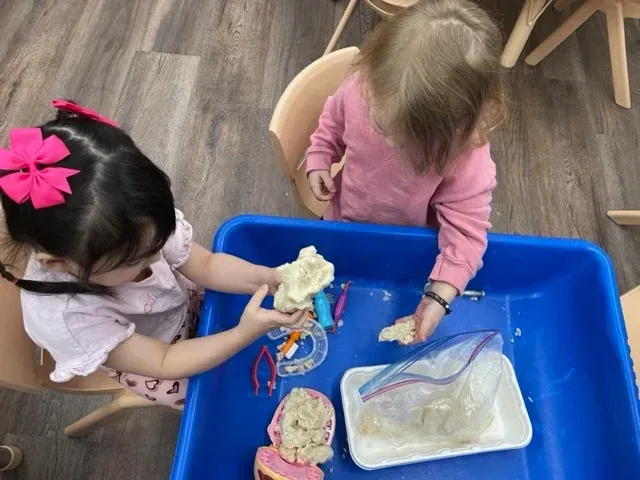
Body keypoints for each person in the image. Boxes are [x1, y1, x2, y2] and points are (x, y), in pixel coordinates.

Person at [0, 100, 306, 409]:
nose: (154, 259)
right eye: (135, 261)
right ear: (59, 263)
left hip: (176, 306)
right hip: (157, 358)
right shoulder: (69, 317)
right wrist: (243, 333)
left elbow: (207, 264)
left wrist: (266, 278)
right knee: (216, 400)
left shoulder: (136, 222)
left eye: (157, 246)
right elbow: (164, 361)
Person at [306, 0, 506, 342]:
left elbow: (466, 234)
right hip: (344, 220)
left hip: (409, 244)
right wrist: (321, 155)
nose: (387, 139)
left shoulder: (466, 157)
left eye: (404, 140)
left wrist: (439, 297)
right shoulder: (362, 89)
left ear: (454, 130)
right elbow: (332, 122)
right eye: (380, 125)